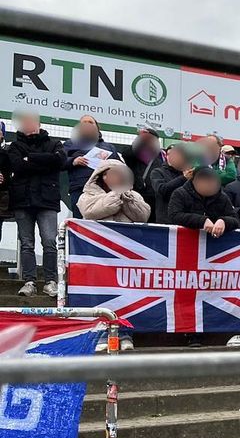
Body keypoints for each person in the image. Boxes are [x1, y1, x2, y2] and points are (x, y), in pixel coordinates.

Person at [76, 159, 151, 353]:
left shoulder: (133, 194)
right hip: (98, 255)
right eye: (116, 173)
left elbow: (143, 215)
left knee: (126, 295)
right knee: (101, 295)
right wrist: (116, 195)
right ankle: (102, 334)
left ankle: (125, 334)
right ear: (104, 175)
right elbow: (91, 211)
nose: (120, 177)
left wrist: (128, 198)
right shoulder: (88, 195)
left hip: (127, 255)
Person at [8, 113, 65, 298]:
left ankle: (51, 281)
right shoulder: (15, 146)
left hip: (47, 200)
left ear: (39, 124)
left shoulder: (55, 143)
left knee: (49, 242)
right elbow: (17, 165)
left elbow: (59, 161)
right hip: (22, 200)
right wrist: (44, 160)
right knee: (27, 244)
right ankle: (29, 281)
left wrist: (29, 158)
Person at [62, 115, 120, 216]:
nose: (87, 125)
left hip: (103, 190)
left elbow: (120, 167)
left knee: (102, 224)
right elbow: (58, 162)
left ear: (97, 128)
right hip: (80, 189)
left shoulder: (109, 147)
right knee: (80, 224)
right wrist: (73, 161)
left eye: (90, 122)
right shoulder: (70, 144)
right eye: (84, 123)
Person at [167, 165, 240, 235]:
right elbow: (174, 215)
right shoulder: (180, 193)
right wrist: (202, 221)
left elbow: (235, 220)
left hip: (213, 241)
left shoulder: (222, 197)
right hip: (185, 238)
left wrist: (224, 221)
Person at [120, 128, 164, 208]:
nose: (150, 142)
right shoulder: (136, 154)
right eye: (147, 140)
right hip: (136, 195)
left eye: (152, 139)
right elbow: (126, 154)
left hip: (155, 197)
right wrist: (141, 140)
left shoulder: (161, 157)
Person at [147, 144, 191, 223]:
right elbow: (162, 190)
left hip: (187, 220)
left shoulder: (190, 173)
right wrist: (183, 178)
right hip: (166, 221)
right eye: (170, 155)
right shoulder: (158, 172)